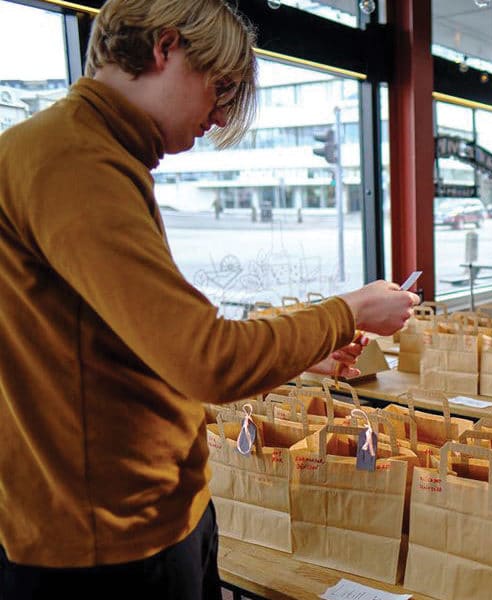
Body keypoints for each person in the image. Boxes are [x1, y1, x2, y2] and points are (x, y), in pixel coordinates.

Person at [0, 1, 419, 597]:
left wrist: (299, 355)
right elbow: (206, 358)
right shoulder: (74, 159)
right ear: (164, 48)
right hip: (109, 541)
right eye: (218, 87)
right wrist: (347, 311)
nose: (217, 114)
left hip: (141, 514)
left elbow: (134, 348)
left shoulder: (94, 152)